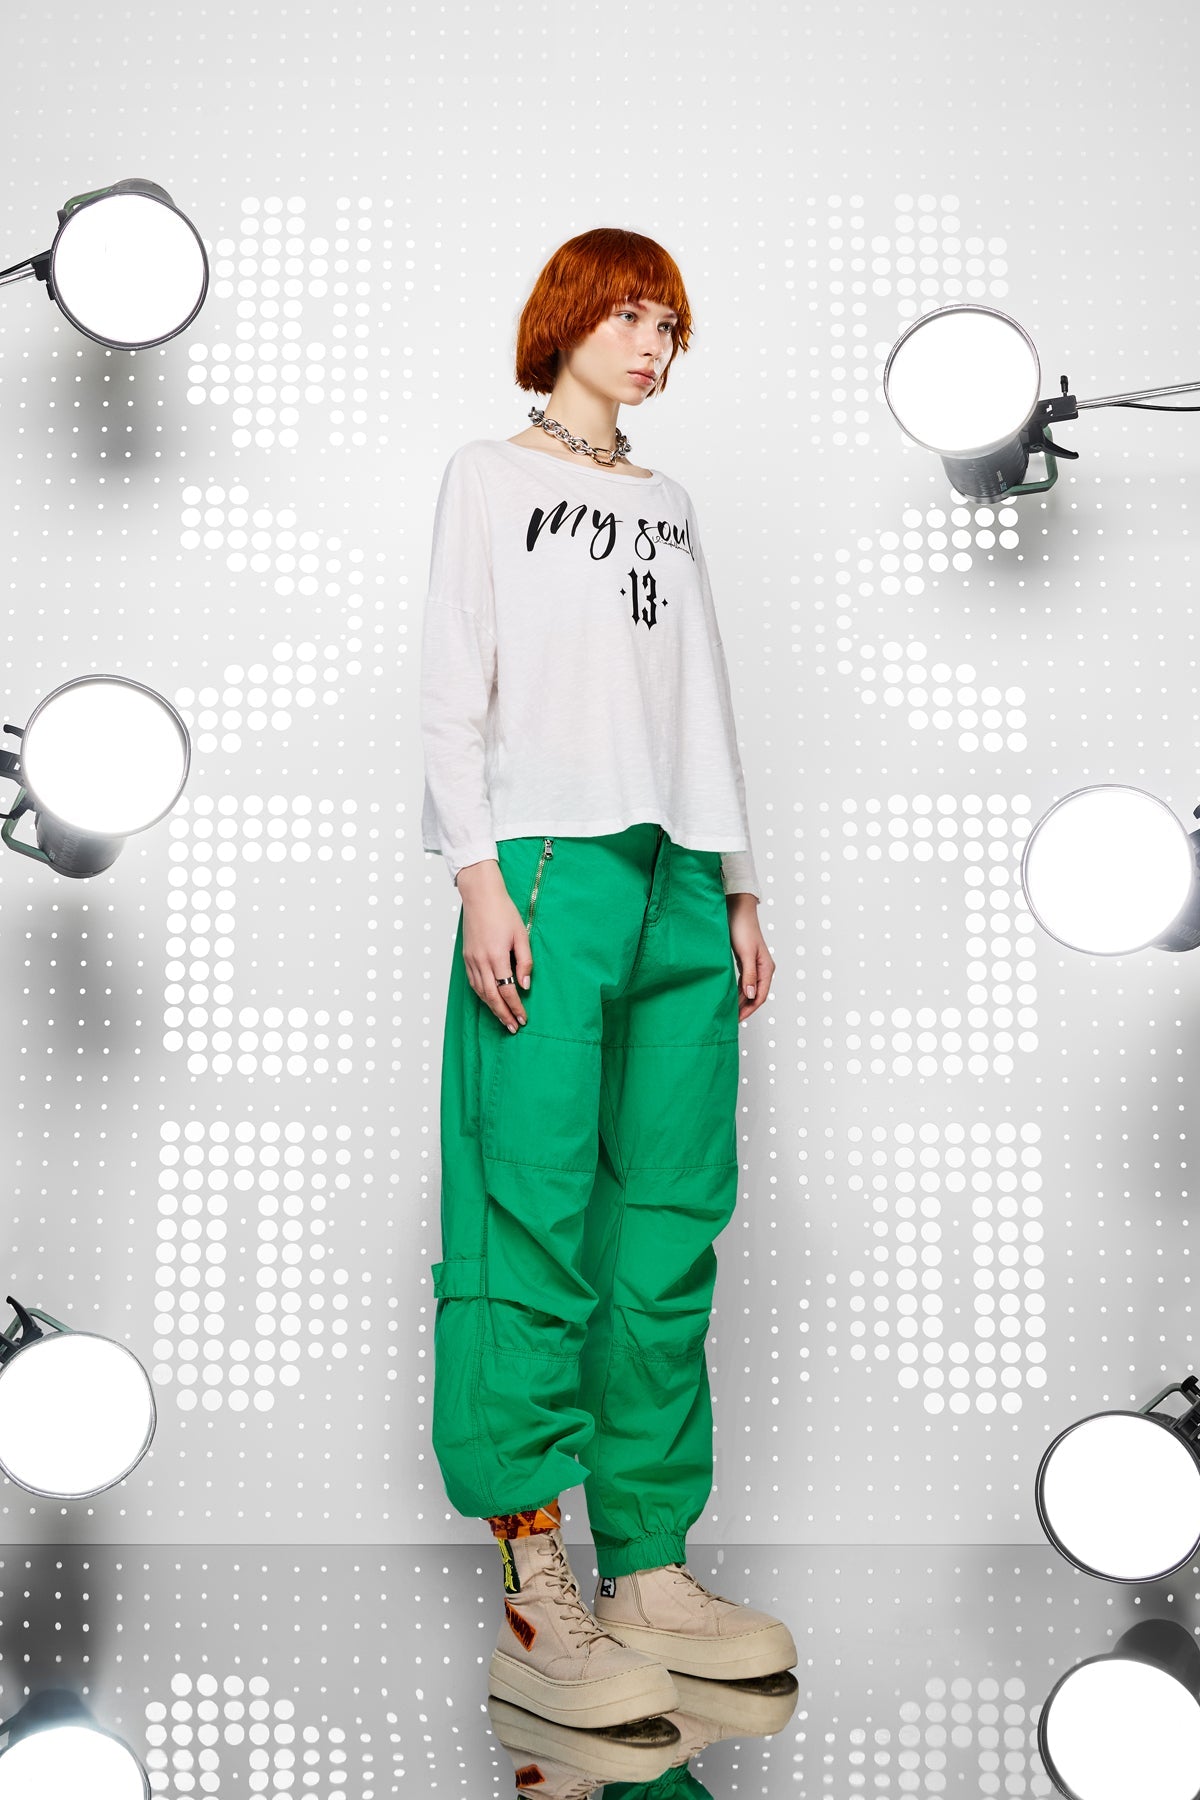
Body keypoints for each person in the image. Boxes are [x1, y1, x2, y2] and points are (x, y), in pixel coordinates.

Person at [420, 227, 795, 1735]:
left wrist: (740, 882)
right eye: (632, 316)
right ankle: (535, 1585)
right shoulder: (486, 478)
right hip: (549, 868)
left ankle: (645, 1565)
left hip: (681, 876)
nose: (652, 346)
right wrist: (478, 880)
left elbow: (703, 697)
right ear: (568, 321)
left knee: (669, 1217)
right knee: (529, 1204)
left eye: (668, 327)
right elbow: (452, 685)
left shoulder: (672, 504)